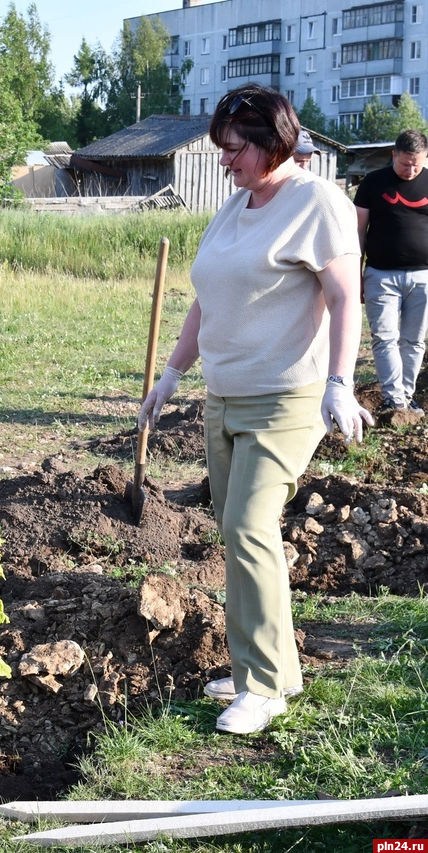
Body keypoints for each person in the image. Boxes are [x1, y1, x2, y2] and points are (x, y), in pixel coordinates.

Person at [139, 84, 371, 735]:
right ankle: (261, 666)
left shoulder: (317, 200)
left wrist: (339, 381)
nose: (225, 161)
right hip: (226, 396)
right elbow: (206, 296)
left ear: (274, 142)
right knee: (237, 532)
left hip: (288, 396)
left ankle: (266, 686)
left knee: (247, 524)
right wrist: (172, 374)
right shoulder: (236, 206)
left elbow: (345, 297)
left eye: (234, 149)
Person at [354, 129, 428, 417]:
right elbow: (358, 230)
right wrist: (356, 272)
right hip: (380, 275)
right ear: (393, 155)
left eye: (417, 164)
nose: (410, 170)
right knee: (384, 337)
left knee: (414, 340)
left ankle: (405, 399)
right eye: (405, 163)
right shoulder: (373, 183)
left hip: (423, 277)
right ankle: (394, 400)